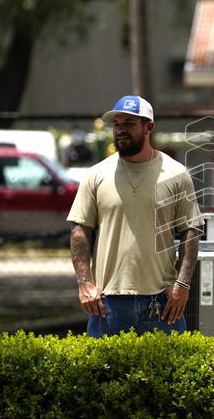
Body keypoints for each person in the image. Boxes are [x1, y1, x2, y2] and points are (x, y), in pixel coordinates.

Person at [68, 95, 203, 337]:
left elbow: (191, 231)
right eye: (117, 124)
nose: (120, 130)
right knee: (104, 375)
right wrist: (84, 283)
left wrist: (182, 285)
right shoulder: (96, 175)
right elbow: (80, 231)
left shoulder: (176, 174)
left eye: (129, 124)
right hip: (108, 303)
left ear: (149, 127)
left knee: (168, 375)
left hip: (162, 303)